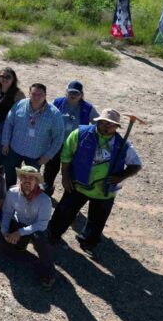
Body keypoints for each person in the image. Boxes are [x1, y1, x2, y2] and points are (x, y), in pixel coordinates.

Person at [48, 109, 142, 255]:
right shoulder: (80, 134)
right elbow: (66, 155)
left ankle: (88, 242)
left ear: (117, 127)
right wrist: (65, 177)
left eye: (110, 125)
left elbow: (136, 165)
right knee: (64, 212)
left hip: (104, 191)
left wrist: (121, 176)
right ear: (97, 121)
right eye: (103, 122)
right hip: (77, 184)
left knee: (97, 221)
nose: (105, 126)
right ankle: (52, 235)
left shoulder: (123, 145)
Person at [0, 165, 56, 289]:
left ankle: (49, 273)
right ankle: (20, 245)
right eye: (24, 177)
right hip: (19, 224)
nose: (27, 180)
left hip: (36, 229)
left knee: (41, 239)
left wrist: (19, 232)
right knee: (1, 242)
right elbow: (7, 212)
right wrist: (4, 231)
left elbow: (42, 224)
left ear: (37, 181)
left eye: (31, 178)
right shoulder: (12, 192)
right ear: (20, 179)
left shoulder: (45, 199)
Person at [0, 83, 65, 188]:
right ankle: (9, 195)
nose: (37, 97)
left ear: (45, 95)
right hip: (15, 149)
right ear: (29, 93)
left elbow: (58, 137)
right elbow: (9, 123)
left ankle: (27, 200)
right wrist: (5, 142)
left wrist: (48, 155)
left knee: (30, 182)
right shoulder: (19, 105)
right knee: (10, 176)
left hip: (36, 155)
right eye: (34, 94)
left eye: (40, 95)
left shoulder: (54, 114)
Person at [45, 81, 99, 195]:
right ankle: (46, 191)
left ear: (81, 94)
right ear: (66, 92)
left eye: (76, 93)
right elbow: (45, 114)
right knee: (50, 169)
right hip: (55, 142)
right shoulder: (57, 102)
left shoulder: (88, 108)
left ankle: (68, 196)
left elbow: (98, 124)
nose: (73, 95)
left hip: (75, 146)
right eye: (71, 92)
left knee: (70, 171)